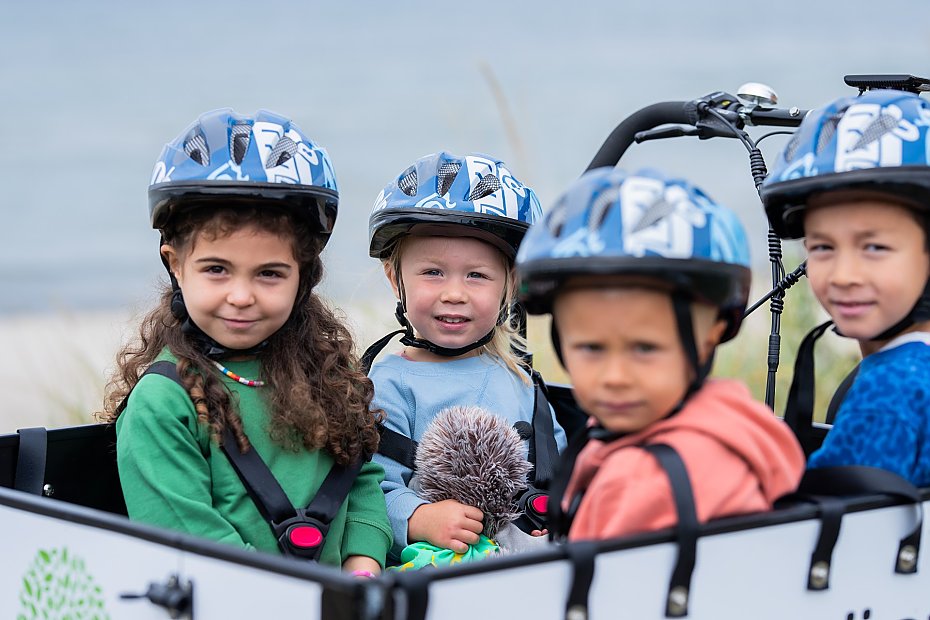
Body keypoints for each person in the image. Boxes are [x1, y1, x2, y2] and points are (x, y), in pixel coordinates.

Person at [101, 109, 392, 574]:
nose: (241, 296)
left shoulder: (326, 372)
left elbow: (361, 479)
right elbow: (194, 545)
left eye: (270, 274)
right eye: (216, 269)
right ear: (175, 264)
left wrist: (363, 568)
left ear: (303, 277)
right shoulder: (163, 403)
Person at [516, 168, 805, 540]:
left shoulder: (642, 481)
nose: (615, 376)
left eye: (644, 348)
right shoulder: (739, 420)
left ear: (709, 337)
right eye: (591, 348)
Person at [365, 152, 567, 560]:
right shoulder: (389, 385)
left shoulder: (520, 380)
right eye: (433, 272)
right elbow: (370, 489)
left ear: (510, 284)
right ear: (395, 278)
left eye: (477, 275)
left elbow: (557, 462)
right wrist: (419, 517)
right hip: (434, 569)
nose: (454, 293)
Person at [761, 88, 930, 486]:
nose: (843, 275)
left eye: (874, 247)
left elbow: (825, 519)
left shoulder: (893, 392)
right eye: (822, 247)